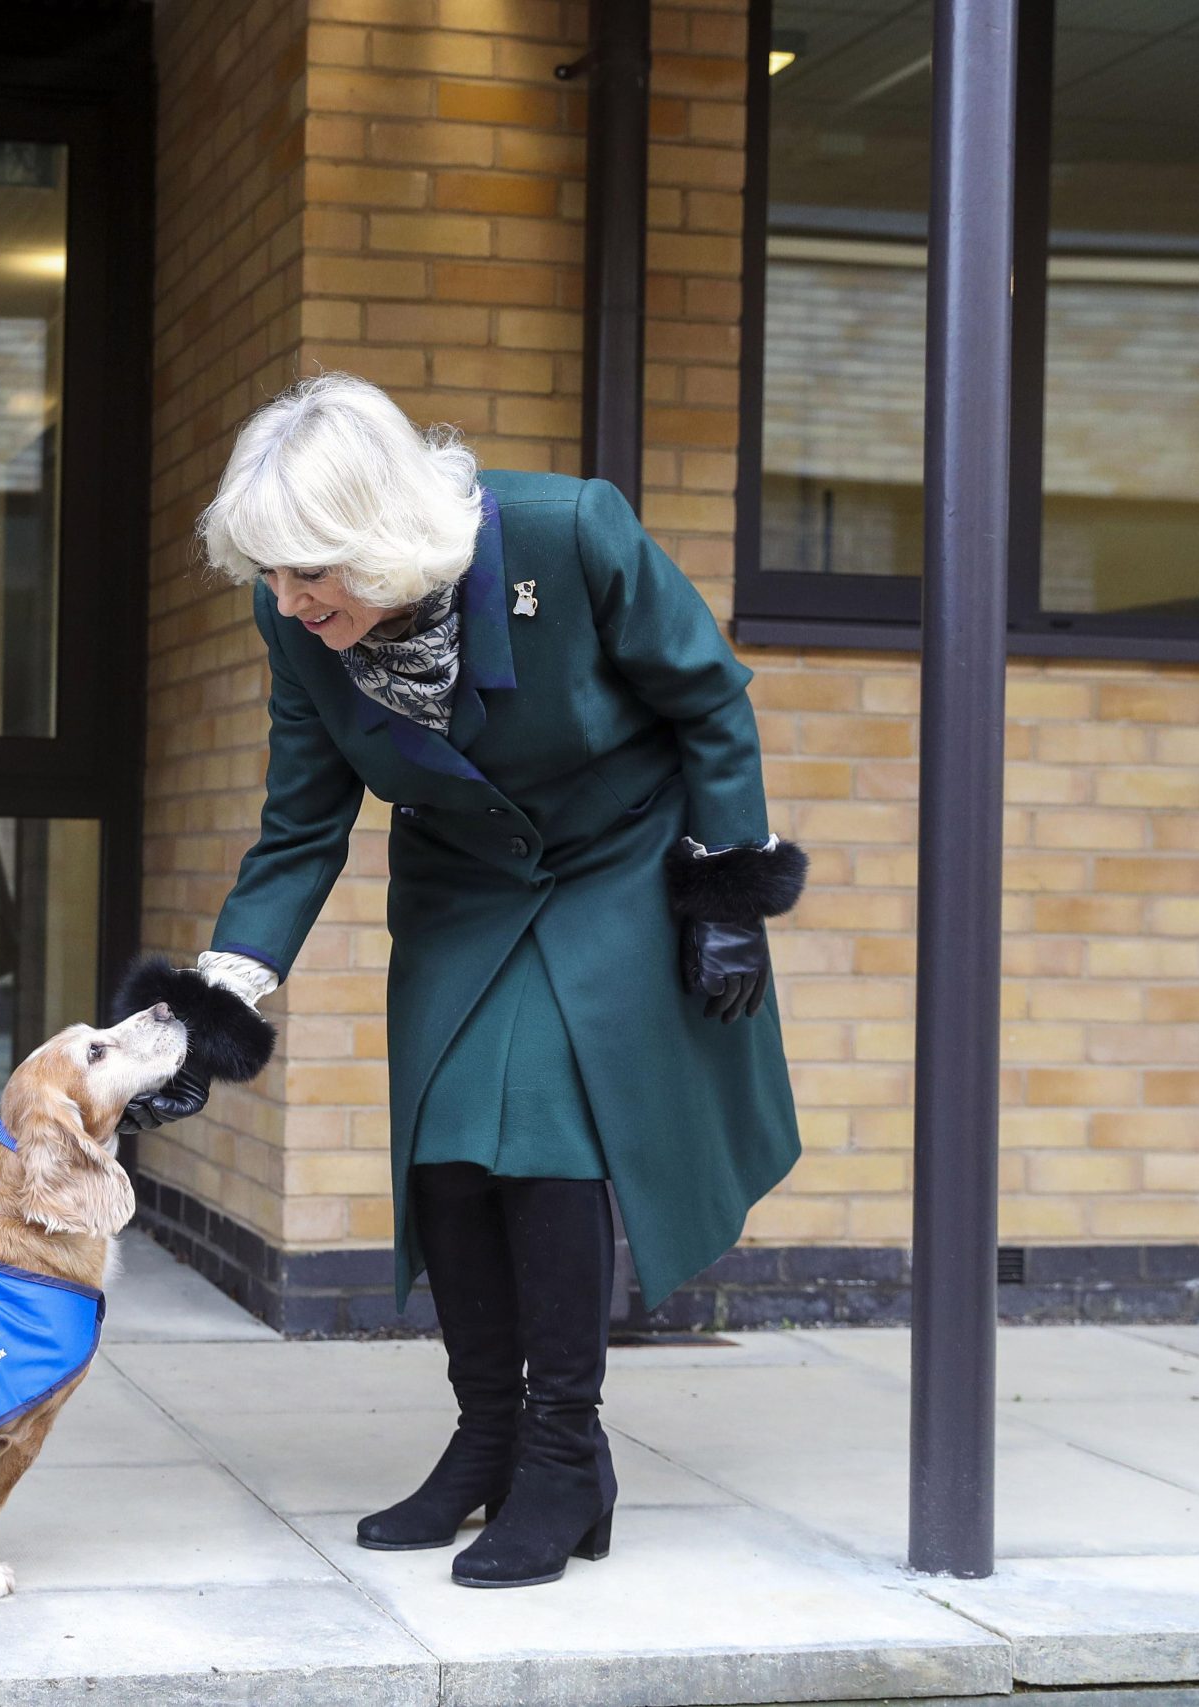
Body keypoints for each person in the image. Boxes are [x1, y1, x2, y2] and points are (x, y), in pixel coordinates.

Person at [129, 373, 805, 1590]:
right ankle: (484, 1436)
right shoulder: (297, 623)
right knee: (444, 1153)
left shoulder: (567, 530)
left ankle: (564, 1455)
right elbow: (299, 825)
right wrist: (212, 1006)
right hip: (461, 879)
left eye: (308, 574)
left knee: (544, 1135)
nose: (286, 603)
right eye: (270, 576)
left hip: (616, 856)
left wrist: (725, 890)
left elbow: (708, 701)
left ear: (381, 541)